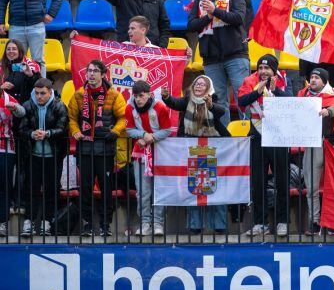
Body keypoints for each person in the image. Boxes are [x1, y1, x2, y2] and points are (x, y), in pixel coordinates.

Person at [161, 77, 230, 233]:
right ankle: (195, 225)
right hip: (191, 151)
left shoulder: (213, 100)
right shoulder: (187, 100)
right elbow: (175, 103)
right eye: (196, 84)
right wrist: (166, 97)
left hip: (213, 150)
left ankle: (219, 225)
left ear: (208, 88)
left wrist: (210, 106)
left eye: (202, 84)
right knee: (194, 187)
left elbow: (221, 111)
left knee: (215, 187)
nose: (198, 86)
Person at [67, 60, 126, 237]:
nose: (91, 74)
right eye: (89, 71)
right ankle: (87, 224)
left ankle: (105, 225)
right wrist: (75, 131)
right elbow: (71, 118)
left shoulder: (114, 95)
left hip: (105, 150)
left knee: (106, 190)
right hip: (84, 149)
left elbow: (123, 117)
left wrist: (115, 132)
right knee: (85, 189)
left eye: (95, 71)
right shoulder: (78, 95)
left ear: (103, 74)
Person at [186, 0, 249, 125]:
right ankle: (224, 135)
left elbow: (239, 18)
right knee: (218, 100)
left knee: (243, 96)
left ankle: (249, 133)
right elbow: (191, 25)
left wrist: (216, 11)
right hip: (211, 59)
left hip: (236, 55)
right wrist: (208, 17)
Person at [238, 54, 291, 237]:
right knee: (258, 181)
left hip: (278, 137)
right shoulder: (250, 81)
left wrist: (275, 91)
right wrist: (257, 91)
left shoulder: (283, 80)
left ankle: (283, 221)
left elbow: (292, 101)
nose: (263, 71)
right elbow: (241, 102)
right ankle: (260, 223)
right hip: (257, 136)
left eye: (267, 68)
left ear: (274, 70)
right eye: (260, 67)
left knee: (282, 181)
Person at [15, 77, 67, 237]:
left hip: (53, 155)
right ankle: (28, 222)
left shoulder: (59, 105)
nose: (39, 96)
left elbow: (63, 128)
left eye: (42, 93)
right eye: (36, 93)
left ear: (50, 92)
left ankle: (47, 222)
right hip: (33, 155)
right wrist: (32, 134)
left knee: (52, 190)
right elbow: (21, 129)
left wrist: (48, 133)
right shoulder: (27, 105)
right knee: (31, 190)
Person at [297, 67, 334, 235]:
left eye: (317, 78)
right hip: (312, 144)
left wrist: (328, 111)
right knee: (311, 187)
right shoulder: (302, 95)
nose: (313, 80)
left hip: (330, 144)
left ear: (324, 81)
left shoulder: (331, 96)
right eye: (311, 77)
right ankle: (315, 222)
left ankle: (333, 223)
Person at [124, 79, 173, 237]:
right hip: (140, 154)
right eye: (136, 96)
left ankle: (158, 223)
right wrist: (143, 134)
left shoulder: (160, 107)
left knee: (159, 189)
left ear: (149, 94)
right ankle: (145, 223)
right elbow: (129, 129)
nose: (138, 99)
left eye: (142, 95)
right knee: (142, 192)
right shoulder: (129, 108)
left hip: (160, 153)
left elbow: (167, 130)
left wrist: (151, 138)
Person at [0, 87, 24, 237]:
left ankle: (2, 223)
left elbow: (22, 112)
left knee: (4, 188)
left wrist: (14, 108)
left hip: (6, 148)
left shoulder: (8, 98)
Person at [0, 39, 39, 104]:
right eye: (8, 49)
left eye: (14, 49)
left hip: (24, 104)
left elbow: (37, 88)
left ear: (19, 51)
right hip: (4, 103)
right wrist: (1, 88)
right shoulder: (1, 65)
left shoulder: (29, 65)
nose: (11, 51)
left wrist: (31, 76)